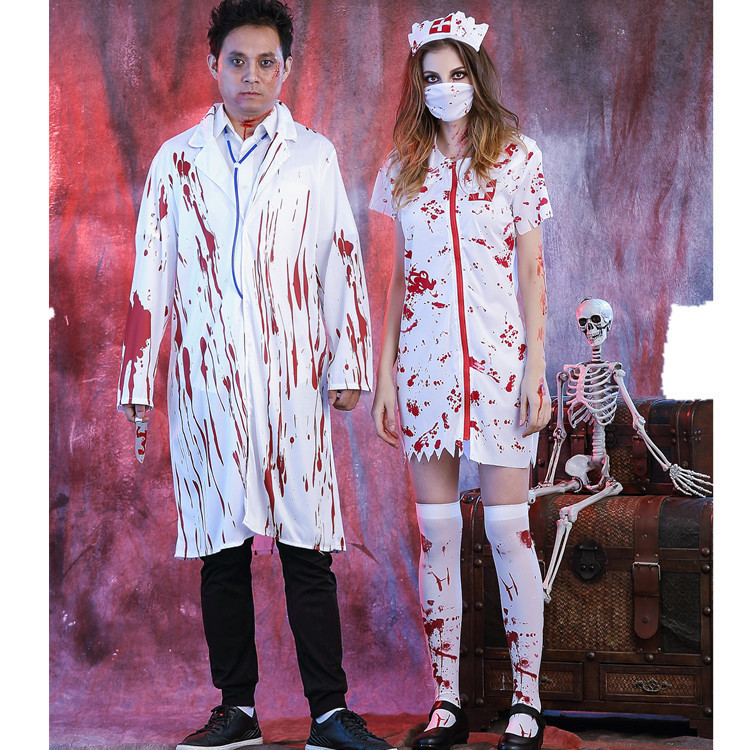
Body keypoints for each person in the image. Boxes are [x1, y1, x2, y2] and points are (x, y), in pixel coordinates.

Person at [117, 2, 393, 749]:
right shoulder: (178, 160)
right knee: (221, 549)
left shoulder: (313, 157)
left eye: (267, 62)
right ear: (214, 66)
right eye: (237, 61)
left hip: (292, 380)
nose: (251, 76)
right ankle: (236, 709)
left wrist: (348, 360)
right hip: (208, 383)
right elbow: (152, 273)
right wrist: (139, 378)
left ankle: (329, 713)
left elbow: (339, 259)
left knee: (307, 547)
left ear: (286, 69)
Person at [369, 11, 552, 750]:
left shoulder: (516, 156)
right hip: (424, 366)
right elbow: (399, 278)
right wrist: (385, 374)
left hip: (501, 368)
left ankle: (527, 701)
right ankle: (445, 702)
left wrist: (536, 367)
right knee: (436, 532)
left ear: (476, 78)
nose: (445, 87)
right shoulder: (402, 167)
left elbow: (532, 270)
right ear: (418, 86)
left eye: (456, 74)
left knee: (509, 530)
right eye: (432, 77)